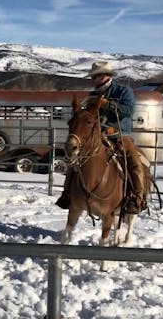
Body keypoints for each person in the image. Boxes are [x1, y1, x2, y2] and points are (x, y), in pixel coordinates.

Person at [54, 61, 146, 214]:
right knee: (76, 161)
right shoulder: (92, 96)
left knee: (134, 162)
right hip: (98, 136)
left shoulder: (124, 92)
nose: (95, 79)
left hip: (120, 135)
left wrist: (107, 104)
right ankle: (68, 194)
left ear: (106, 76)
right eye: (93, 77)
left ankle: (137, 198)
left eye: (98, 76)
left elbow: (128, 111)